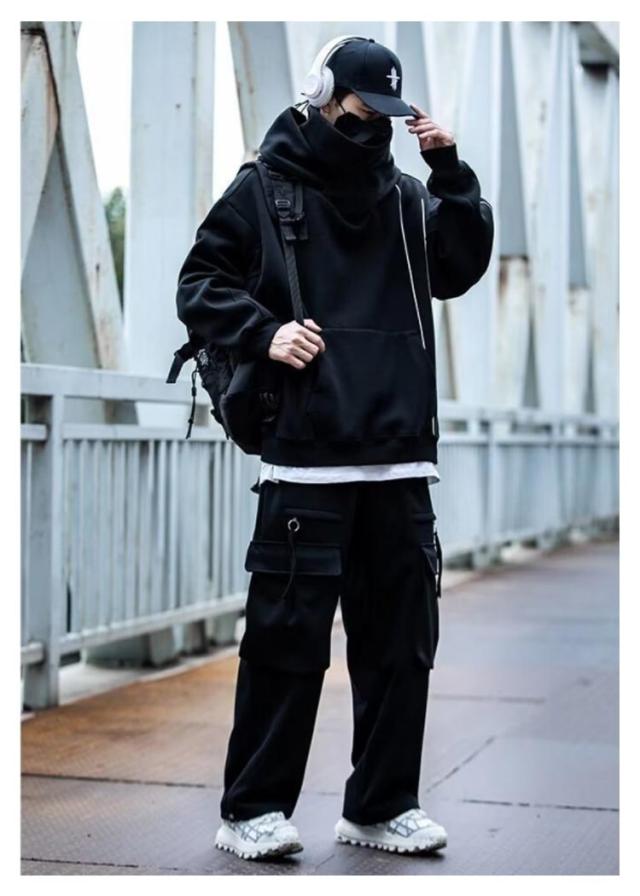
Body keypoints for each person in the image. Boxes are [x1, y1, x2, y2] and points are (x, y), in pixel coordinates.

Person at [175, 34, 494, 861]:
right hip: (305, 459)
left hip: (400, 457)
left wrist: (452, 172)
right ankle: (250, 811)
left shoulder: (408, 198)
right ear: (320, 97)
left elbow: (458, 267)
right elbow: (199, 284)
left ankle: (382, 808)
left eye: (386, 116)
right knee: (285, 648)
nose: (371, 129)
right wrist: (266, 332)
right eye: (358, 112)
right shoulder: (265, 187)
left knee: (400, 652)